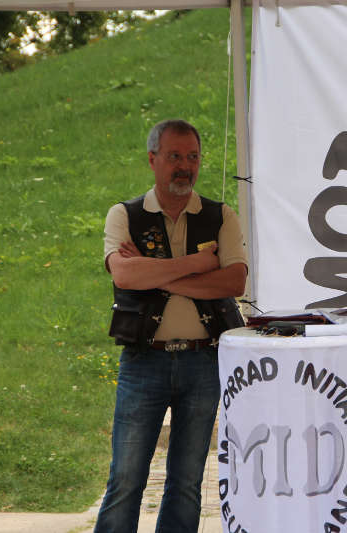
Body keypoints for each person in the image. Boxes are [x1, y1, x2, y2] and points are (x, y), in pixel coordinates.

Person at [95, 119, 247, 533]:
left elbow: (234, 282)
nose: (185, 166)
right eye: (175, 156)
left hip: (203, 363)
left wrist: (157, 273)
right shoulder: (123, 214)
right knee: (125, 478)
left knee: (186, 483)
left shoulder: (220, 214)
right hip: (144, 361)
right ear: (152, 160)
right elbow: (124, 277)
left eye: (193, 157)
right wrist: (199, 265)